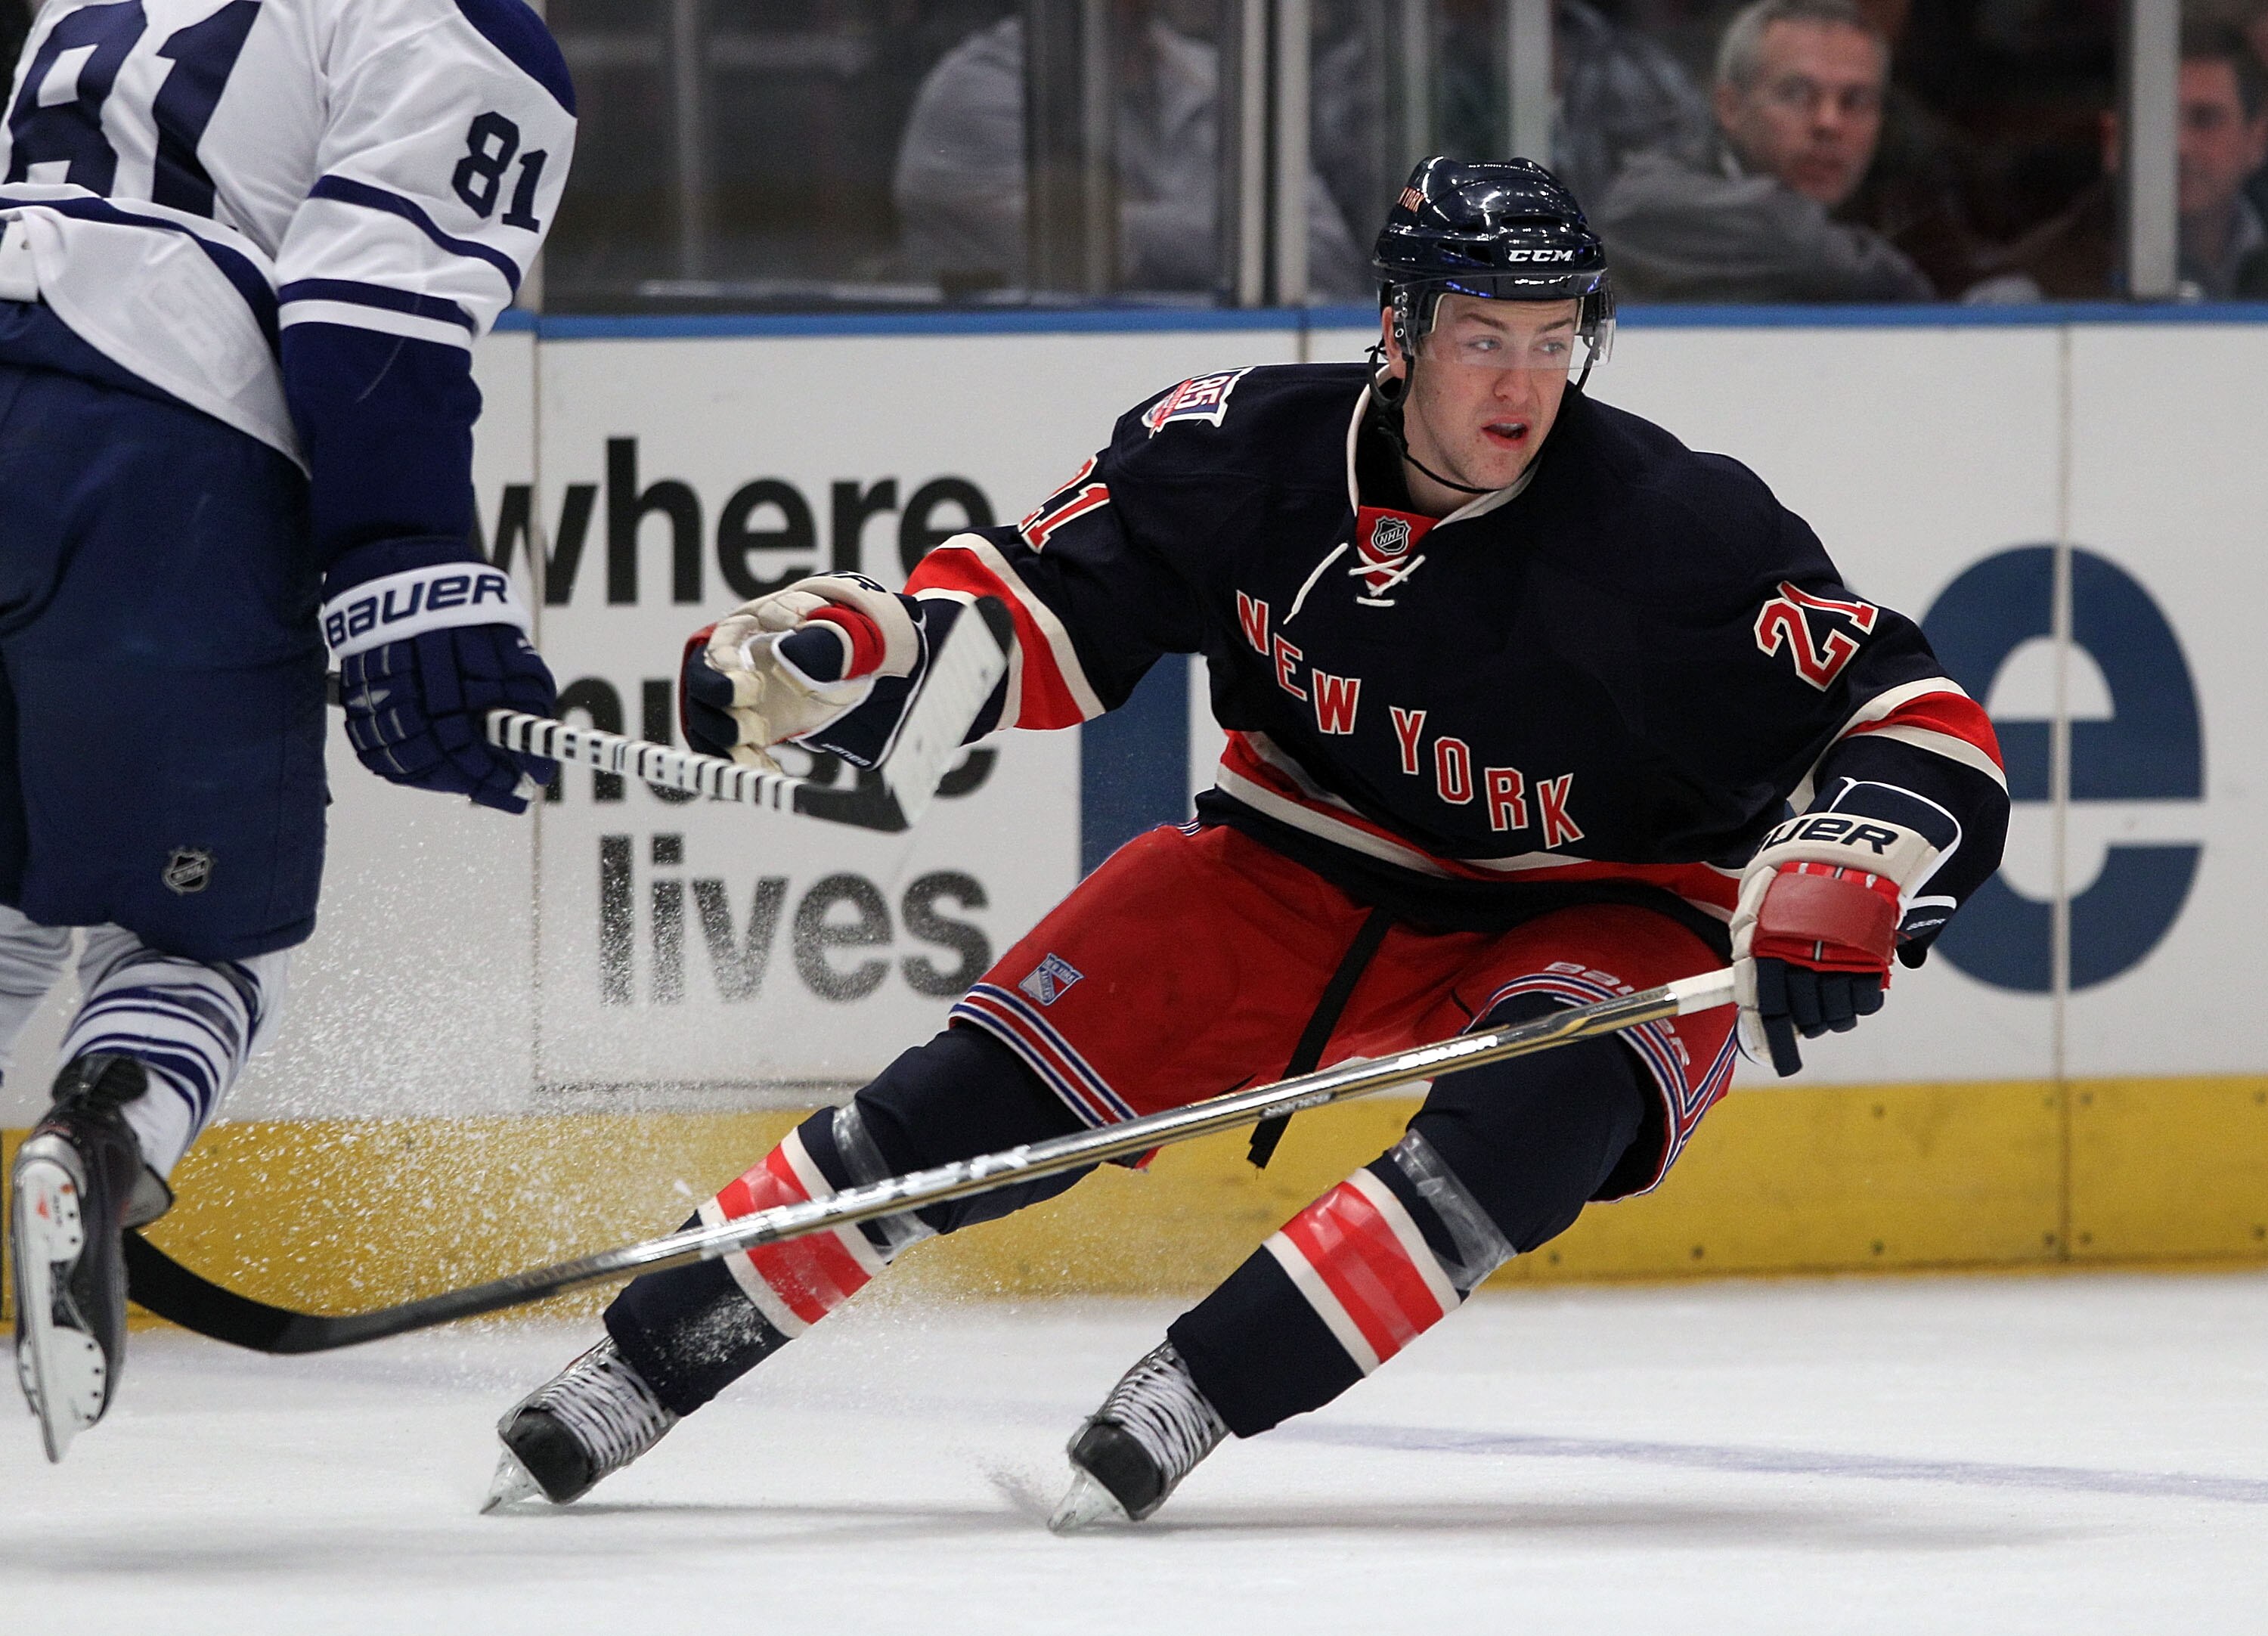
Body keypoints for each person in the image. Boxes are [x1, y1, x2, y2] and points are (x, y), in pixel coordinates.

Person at [484, 156, 2009, 1528]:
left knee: (1532, 1124)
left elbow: (1916, 710)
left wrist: (1865, 853)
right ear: (1400, 331)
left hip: (1609, 900)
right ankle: (642, 1365)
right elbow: (1035, 613)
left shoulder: (1676, 530)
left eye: (1556, 343)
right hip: (1300, 857)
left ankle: (1198, 1386)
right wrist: (841, 654)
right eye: (1486, 335)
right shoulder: (1231, 454)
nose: (1522, 386)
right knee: (955, 1113)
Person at [2, 0, 569, 1461]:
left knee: (9, 901)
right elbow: (369, 309)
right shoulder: (459, 23)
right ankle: (101, 1137)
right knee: (196, 937)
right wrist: (403, 570)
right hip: (159, 446)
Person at [892, 2, 1368, 300]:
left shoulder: (1218, 77)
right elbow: (1064, 256)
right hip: (1012, 375)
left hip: (1205, 369)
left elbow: (1322, 257)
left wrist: (1125, 221)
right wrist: (1227, 237)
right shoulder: (975, 93)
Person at [1596, 0, 1933, 302]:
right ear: (1730, 106)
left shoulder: (1904, 197)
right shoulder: (1655, 201)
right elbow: (1811, 254)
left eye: (1856, 101)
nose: (1829, 123)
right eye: (1797, 94)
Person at [2019, 21, 2268, 301]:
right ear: (2114, 139)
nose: (2179, 146)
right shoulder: (2029, 290)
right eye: (2155, 119)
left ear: (2257, 141)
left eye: (2205, 119)